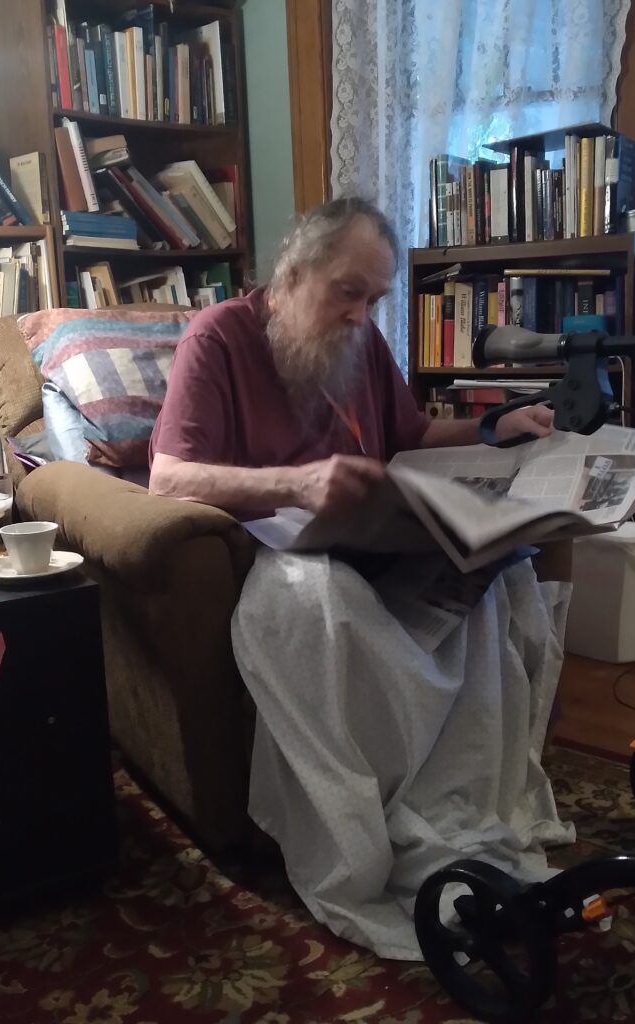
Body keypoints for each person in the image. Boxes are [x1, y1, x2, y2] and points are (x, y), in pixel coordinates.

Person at [149, 197, 574, 959]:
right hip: (282, 555)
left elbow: (410, 439)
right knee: (321, 601)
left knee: (500, 571)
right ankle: (365, 831)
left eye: (374, 299)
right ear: (292, 273)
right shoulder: (217, 338)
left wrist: (493, 429)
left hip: (376, 544)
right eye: (347, 292)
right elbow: (167, 477)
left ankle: (446, 802)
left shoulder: (362, 344)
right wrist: (296, 483)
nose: (361, 314)